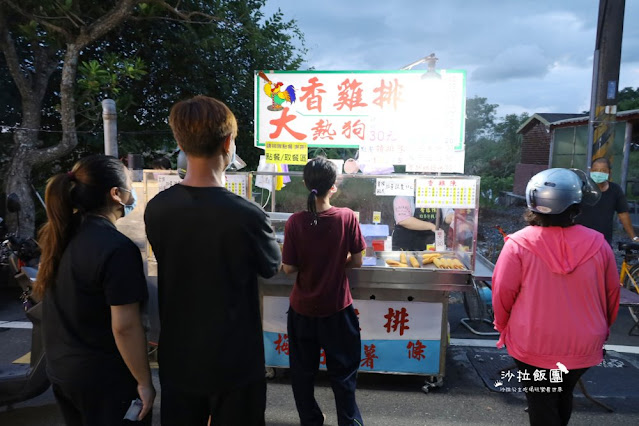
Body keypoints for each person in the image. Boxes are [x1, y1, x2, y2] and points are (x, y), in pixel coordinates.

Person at [144, 95, 281, 426]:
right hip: (236, 360)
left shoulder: (158, 209)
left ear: (179, 141)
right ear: (228, 143)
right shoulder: (248, 216)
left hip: (178, 357)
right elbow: (271, 267)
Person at [492, 168, 619, 426]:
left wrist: (502, 326)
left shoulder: (517, 244)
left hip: (533, 343)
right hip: (584, 342)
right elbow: (611, 294)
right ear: (576, 205)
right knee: (562, 393)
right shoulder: (599, 243)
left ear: (533, 203)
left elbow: (502, 294)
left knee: (542, 402)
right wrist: (601, 328)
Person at [36, 155, 154, 425]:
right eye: (129, 184)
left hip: (62, 371)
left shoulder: (60, 235)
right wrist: (144, 382)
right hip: (103, 380)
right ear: (116, 194)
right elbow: (125, 327)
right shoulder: (116, 249)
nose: (132, 191)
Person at [282, 157, 366, 426]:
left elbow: (288, 268)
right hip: (338, 310)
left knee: (303, 374)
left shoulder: (295, 222)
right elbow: (358, 260)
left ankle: (312, 420)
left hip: (302, 312)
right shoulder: (347, 217)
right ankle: (349, 421)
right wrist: (335, 262)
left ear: (306, 184)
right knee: (343, 374)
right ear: (334, 186)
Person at [576, 157, 638, 244]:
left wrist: (633, 237)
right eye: (595, 170)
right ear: (590, 171)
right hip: (580, 237)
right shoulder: (582, 188)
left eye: (603, 171)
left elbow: (623, 214)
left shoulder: (615, 190)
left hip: (603, 239)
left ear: (609, 173)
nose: (598, 173)